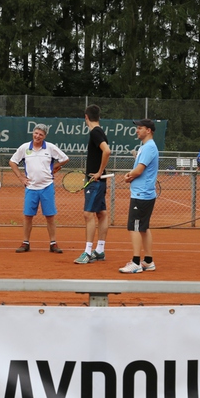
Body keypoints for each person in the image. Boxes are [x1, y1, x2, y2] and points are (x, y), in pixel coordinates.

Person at [9, 124, 69, 253]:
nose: (37, 136)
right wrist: (21, 177)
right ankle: (25, 243)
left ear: (44, 136)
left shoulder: (50, 147)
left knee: (50, 216)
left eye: (41, 134)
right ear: (33, 133)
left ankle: (53, 243)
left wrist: (55, 167)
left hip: (47, 186)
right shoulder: (25, 147)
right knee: (28, 216)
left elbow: (65, 158)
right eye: (36, 133)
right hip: (31, 187)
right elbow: (12, 161)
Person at [119, 119, 160, 274]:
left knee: (134, 227)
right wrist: (131, 176)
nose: (137, 130)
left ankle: (136, 262)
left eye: (140, 128)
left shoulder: (149, 147)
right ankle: (148, 261)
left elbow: (139, 170)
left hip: (141, 194)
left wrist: (128, 176)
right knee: (143, 228)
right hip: (143, 193)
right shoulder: (145, 147)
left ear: (148, 130)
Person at [75, 104, 111, 264]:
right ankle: (100, 250)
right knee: (101, 213)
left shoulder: (95, 132)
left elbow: (107, 151)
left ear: (86, 117)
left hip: (95, 181)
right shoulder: (100, 131)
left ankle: (88, 252)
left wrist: (99, 172)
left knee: (88, 214)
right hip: (98, 181)